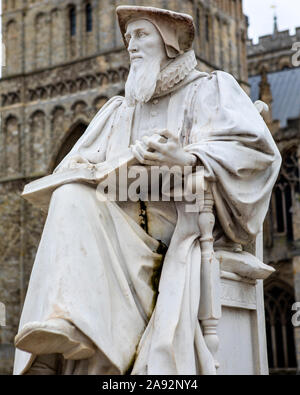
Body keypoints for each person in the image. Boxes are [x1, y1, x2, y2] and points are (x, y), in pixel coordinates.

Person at [13, 6, 281, 375]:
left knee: (82, 205)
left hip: (183, 226)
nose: (131, 46)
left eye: (141, 36)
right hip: (125, 222)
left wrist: (186, 158)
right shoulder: (120, 110)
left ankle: (67, 343)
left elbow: (257, 154)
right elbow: (76, 164)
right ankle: (56, 339)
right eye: (128, 39)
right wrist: (93, 171)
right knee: (70, 194)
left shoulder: (211, 90)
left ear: (169, 43)